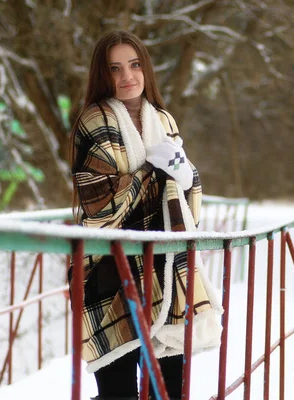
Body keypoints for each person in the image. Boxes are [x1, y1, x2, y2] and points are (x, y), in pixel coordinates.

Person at [68, 30, 223, 400]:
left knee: (168, 387)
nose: (128, 77)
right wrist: (148, 173)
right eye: (116, 68)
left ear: (146, 69)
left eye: (135, 65)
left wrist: (187, 176)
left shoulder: (164, 120)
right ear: (103, 75)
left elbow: (182, 189)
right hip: (109, 267)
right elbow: (97, 204)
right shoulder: (93, 122)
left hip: (166, 268)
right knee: (117, 391)